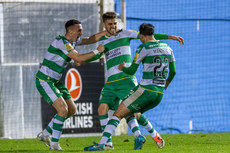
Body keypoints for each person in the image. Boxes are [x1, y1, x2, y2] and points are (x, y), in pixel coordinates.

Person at [85, 12, 183, 150]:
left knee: (130, 112)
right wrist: (80, 58)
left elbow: (150, 38)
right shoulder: (103, 42)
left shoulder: (126, 34)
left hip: (127, 79)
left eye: (115, 23)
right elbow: (91, 44)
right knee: (103, 108)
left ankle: (140, 135)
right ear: (104, 25)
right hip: (111, 82)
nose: (113, 26)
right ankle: (108, 143)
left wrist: (169, 36)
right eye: (110, 24)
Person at [35, 19, 106, 151]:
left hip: (55, 81)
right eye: (79, 30)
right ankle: (54, 144)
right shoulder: (62, 42)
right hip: (45, 80)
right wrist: (97, 51)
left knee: (72, 109)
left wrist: (105, 32)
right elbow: (78, 58)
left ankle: (45, 134)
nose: (81, 32)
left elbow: (90, 39)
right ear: (70, 31)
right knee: (62, 110)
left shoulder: (72, 41)